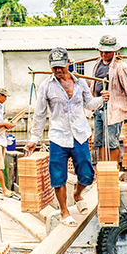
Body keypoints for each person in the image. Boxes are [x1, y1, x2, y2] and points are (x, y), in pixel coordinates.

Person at [25, 47, 105, 227]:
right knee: (58, 176)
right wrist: (33, 139)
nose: (58, 71)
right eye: (55, 68)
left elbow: (89, 103)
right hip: (58, 137)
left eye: (61, 67)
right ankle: (64, 211)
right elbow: (39, 114)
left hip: (80, 135)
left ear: (69, 63)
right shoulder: (46, 86)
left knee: (87, 173)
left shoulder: (81, 83)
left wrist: (101, 99)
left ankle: (77, 194)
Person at [90, 35, 127, 165]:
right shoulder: (97, 64)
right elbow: (92, 84)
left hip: (113, 109)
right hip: (99, 108)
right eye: (101, 51)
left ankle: (113, 170)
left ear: (114, 51)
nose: (103, 54)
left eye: (107, 52)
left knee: (111, 141)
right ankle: (103, 169)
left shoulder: (120, 66)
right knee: (99, 140)